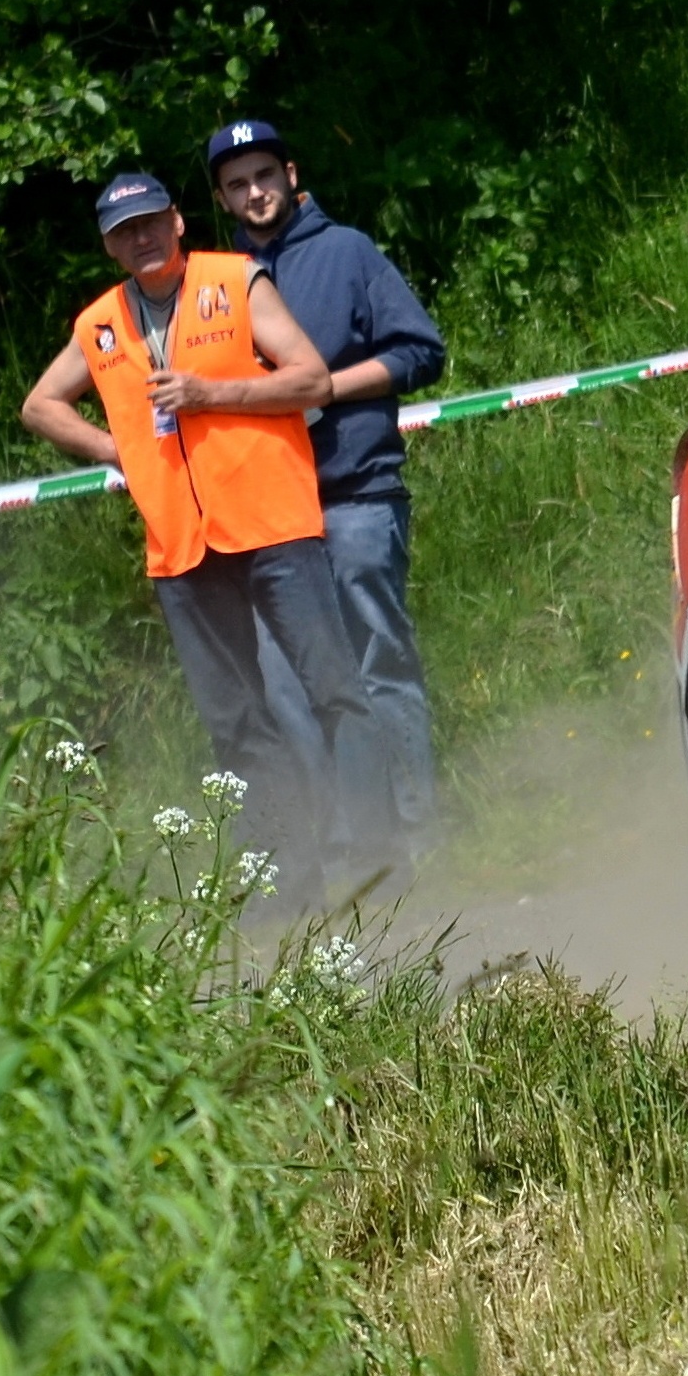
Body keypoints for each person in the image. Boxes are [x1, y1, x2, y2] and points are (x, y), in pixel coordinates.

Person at [17, 172, 382, 905]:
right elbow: (39, 404)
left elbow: (311, 379)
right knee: (236, 723)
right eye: (124, 231)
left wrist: (213, 393)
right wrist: (115, 450)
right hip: (181, 549)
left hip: (274, 525)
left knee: (335, 692)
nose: (142, 238)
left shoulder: (236, 280)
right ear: (109, 245)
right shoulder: (100, 323)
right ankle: (284, 890)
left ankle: (383, 865)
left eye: (151, 222)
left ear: (178, 222)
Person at [207, 118, 446, 862]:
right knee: (293, 688)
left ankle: (418, 835)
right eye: (237, 184)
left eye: (264, 175)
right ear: (222, 199)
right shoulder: (217, 286)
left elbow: (421, 351)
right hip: (270, 517)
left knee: (378, 663)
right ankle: (348, 850)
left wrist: (320, 389)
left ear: (291, 174)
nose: (255, 192)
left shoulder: (348, 252)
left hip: (357, 493)